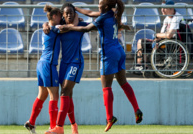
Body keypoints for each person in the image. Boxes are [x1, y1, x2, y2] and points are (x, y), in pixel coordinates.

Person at [59, 0, 143, 132]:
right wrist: (77, 8)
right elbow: (91, 13)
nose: (98, 4)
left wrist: (68, 27)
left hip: (108, 53)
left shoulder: (103, 17)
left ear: (106, 6)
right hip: (119, 50)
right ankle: (136, 108)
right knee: (123, 83)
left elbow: (85, 28)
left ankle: (110, 118)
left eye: (100, 3)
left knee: (106, 87)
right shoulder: (113, 13)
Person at [44, 3, 89, 134]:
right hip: (64, 63)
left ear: (75, 14)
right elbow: (50, 24)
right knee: (68, 95)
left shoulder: (80, 25)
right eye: (67, 13)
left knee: (64, 91)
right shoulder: (60, 26)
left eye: (71, 13)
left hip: (76, 62)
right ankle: (74, 126)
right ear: (63, 15)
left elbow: (93, 26)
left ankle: (59, 127)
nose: (69, 15)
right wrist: (45, 25)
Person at [24, 5, 62, 134]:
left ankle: (31, 122)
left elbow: (48, 24)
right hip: (49, 65)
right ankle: (53, 128)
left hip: (41, 63)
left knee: (42, 95)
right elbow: (66, 27)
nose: (62, 19)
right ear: (55, 16)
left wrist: (45, 23)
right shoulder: (55, 29)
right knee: (54, 95)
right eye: (60, 16)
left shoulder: (46, 28)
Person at [132, 0, 184, 71]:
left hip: (171, 44)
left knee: (141, 42)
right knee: (141, 42)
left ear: (171, 8)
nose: (162, 10)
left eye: (164, 8)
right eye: (161, 8)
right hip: (165, 42)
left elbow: (169, 35)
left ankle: (140, 66)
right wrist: (155, 40)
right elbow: (162, 34)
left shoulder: (176, 18)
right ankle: (142, 66)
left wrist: (156, 35)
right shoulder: (167, 18)